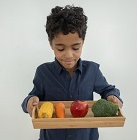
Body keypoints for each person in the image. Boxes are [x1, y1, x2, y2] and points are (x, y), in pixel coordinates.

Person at [21, 5, 123, 140]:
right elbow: (33, 97)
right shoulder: (43, 72)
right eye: (60, 48)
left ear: (83, 42)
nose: (69, 55)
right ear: (51, 44)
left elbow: (108, 90)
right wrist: (30, 101)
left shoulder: (92, 70)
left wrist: (112, 97)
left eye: (75, 48)